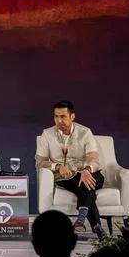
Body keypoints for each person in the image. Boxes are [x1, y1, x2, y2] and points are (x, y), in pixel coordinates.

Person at [34, 100, 107, 240]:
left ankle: (83, 222)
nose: (59, 120)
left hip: (88, 173)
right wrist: (57, 166)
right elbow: (39, 162)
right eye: (56, 116)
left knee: (88, 180)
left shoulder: (85, 132)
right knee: (86, 186)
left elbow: (94, 159)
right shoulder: (47, 134)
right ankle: (94, 226)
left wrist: (86, 170)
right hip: (65, 178)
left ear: (72, 117)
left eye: (63, 116)